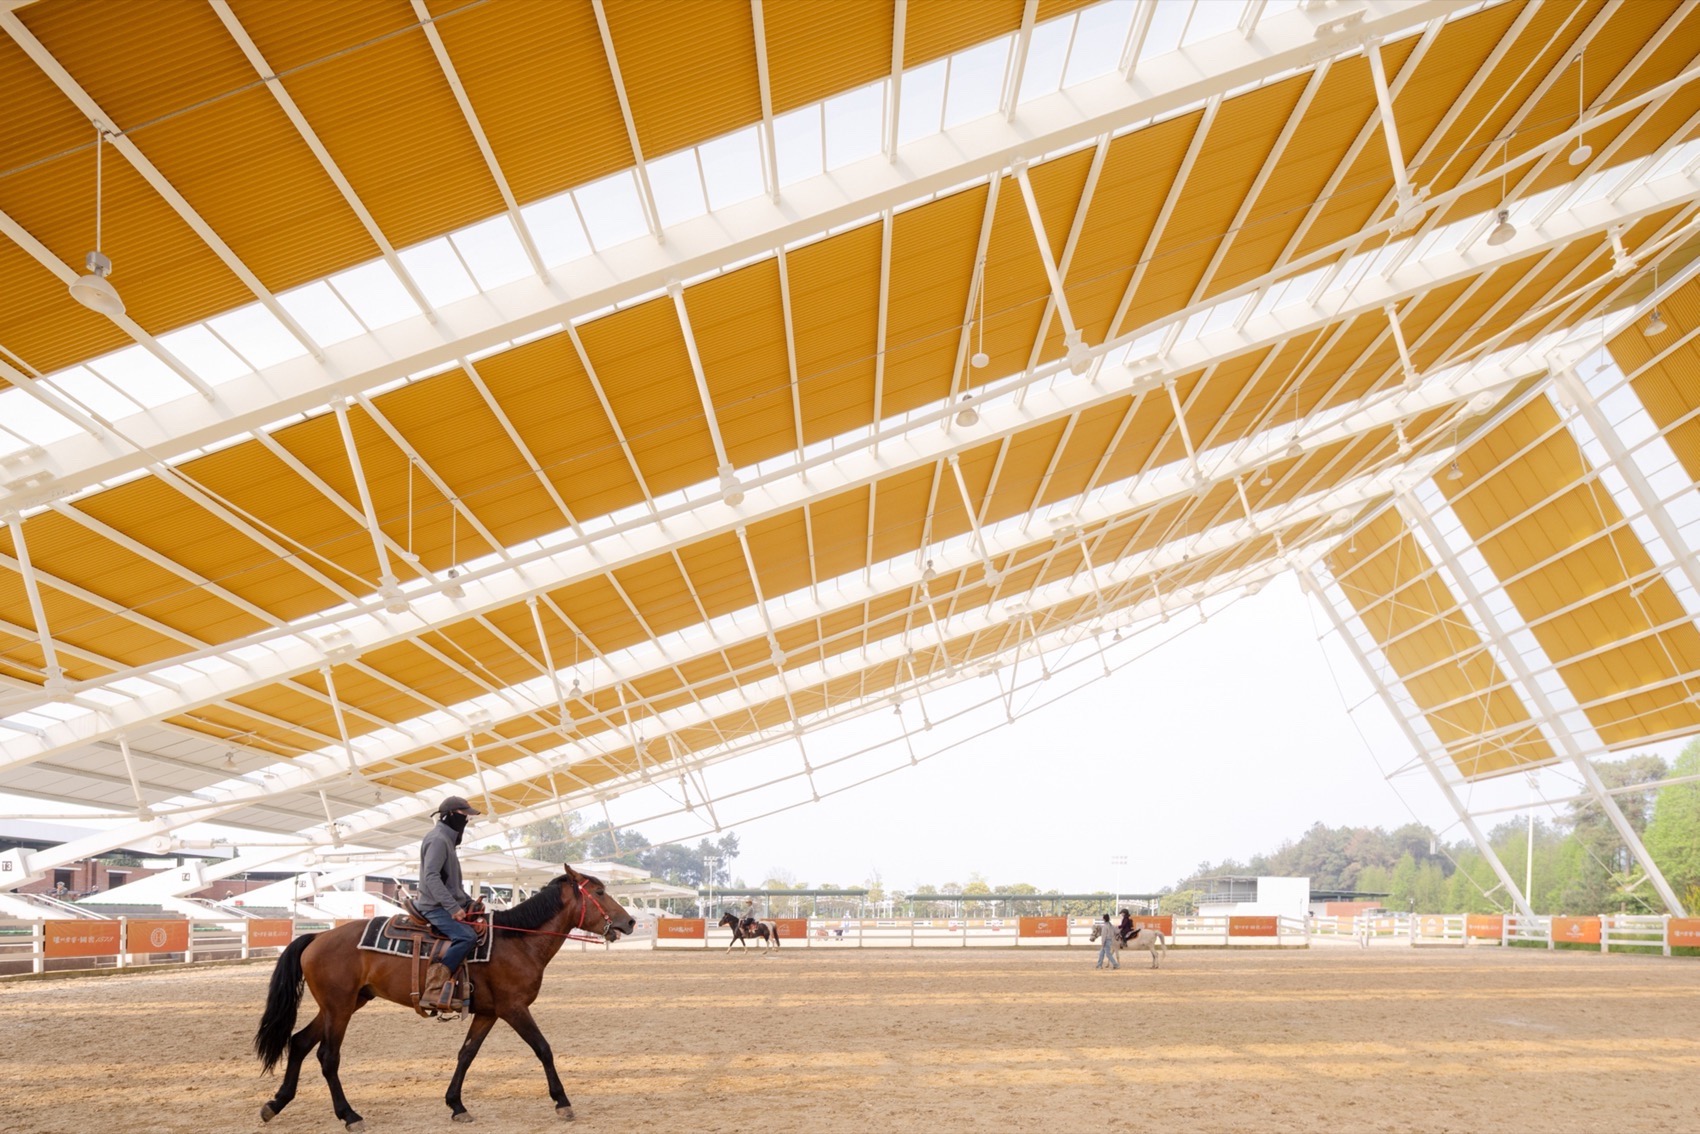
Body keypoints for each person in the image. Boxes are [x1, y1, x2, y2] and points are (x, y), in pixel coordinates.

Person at [416, 796, 482, 1019]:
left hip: (443, 903)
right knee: (466, 937)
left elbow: (451, 884)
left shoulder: (446, 840)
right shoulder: (438, 840)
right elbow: (432, 877)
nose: (467, 820)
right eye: (465, 816)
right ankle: (434, 989)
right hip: (433, 906)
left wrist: (467, 901)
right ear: (450, 815)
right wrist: (453, 907)